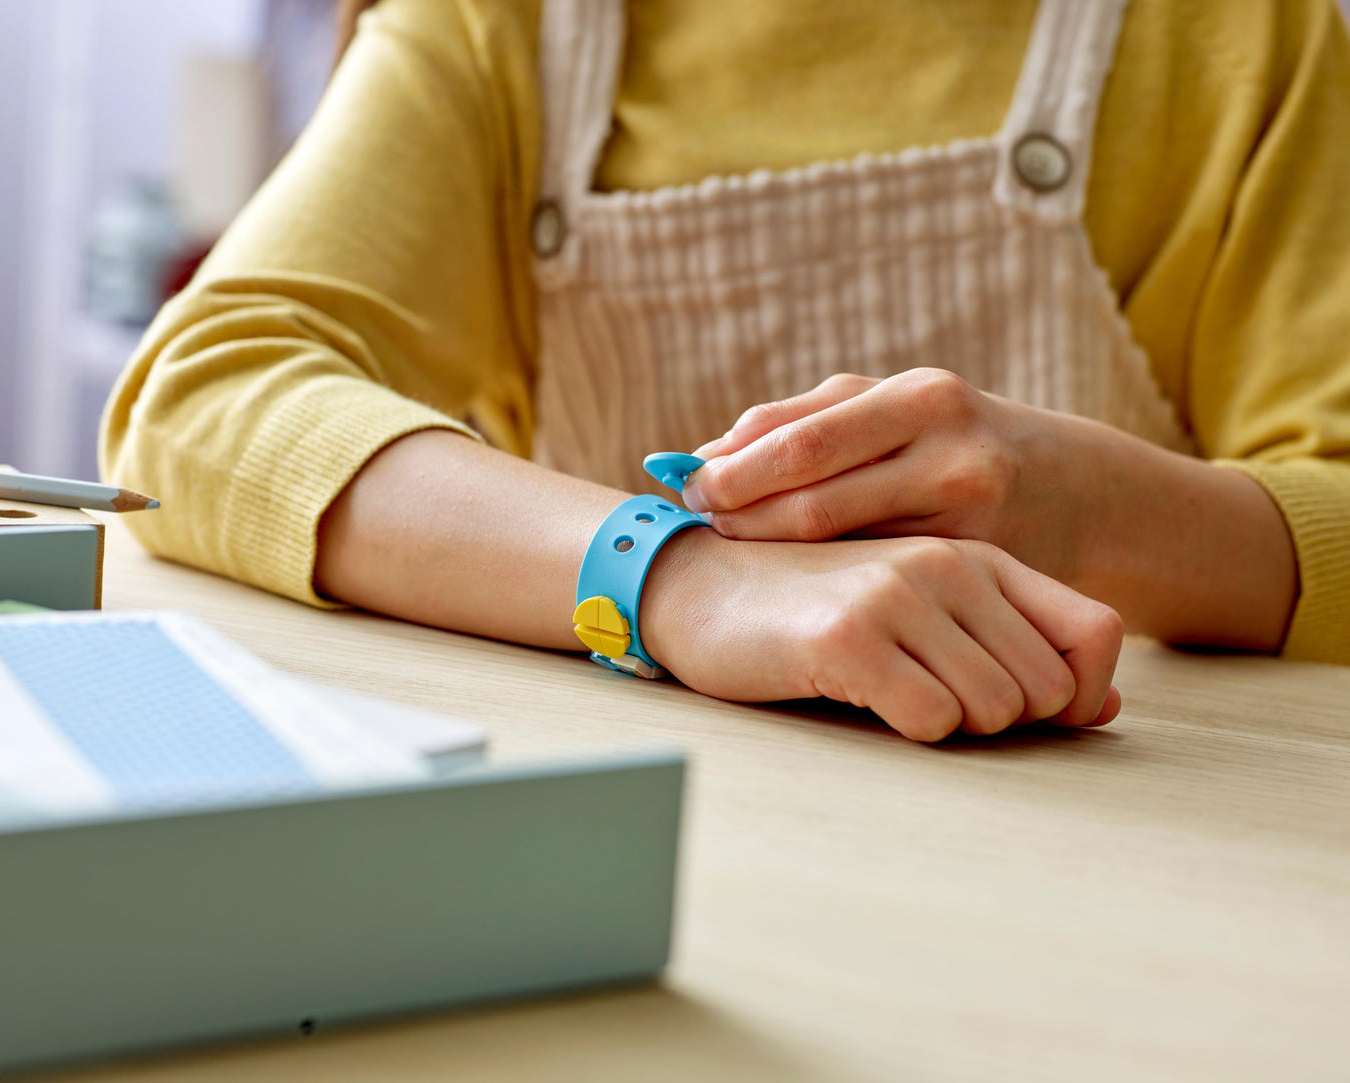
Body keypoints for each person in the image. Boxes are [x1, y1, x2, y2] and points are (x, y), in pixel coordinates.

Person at [101, 0, 1350, 742]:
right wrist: (681, 584)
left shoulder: (1239, 35)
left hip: (1125, 868)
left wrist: (1104, 509)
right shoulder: (503, 27)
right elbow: (202, 396)